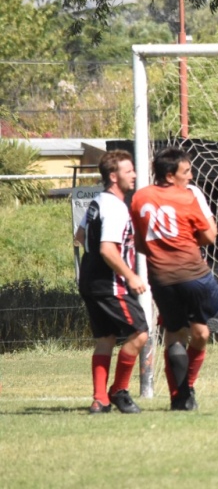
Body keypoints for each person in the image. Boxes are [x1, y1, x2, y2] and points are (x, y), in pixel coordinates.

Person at [130, 146, 218, 412]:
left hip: (161, 278)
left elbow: (138, 242)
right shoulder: (187, 197)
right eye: (186, 171)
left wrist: (161, 249)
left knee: (176, 335)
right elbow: (209, 237)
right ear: (170, 176)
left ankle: (182, 396)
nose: (191, 176)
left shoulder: (139, 197)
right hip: (194, 273)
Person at [75, 151, 148, 414]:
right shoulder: (116, 207)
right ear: (114, 176)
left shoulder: (97, 201)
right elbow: (107, 249)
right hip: (109, 282)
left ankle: (99, 400)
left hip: (89, 279)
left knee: (105, 339)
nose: (135, 175)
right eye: (129, 171)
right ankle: (118, 391)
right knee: (140, 333)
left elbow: (79, 236)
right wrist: (130, 275)